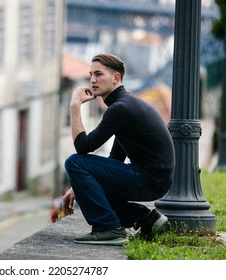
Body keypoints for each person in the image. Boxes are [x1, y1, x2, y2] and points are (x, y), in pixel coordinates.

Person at [62, 54, 175, 245]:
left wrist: (74, 106)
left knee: (73, 161)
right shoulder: (125, 104)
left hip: (149, 180)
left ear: (116, 78)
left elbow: (83, 147)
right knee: (90, 185)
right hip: (156, 180)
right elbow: (116, 158)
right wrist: (79, 186)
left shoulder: (120, 108)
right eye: (91, 75)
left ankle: (108, 228)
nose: (92, 80)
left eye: (99, 74)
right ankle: (146, 218)